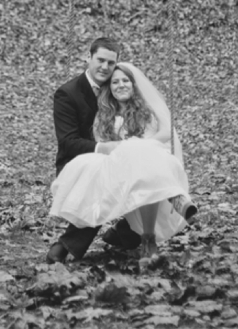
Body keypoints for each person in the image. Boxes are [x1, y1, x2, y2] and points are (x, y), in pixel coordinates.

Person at [49, 62, 196, 260]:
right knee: (140, 163)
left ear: (134, 85)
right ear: (110, 89)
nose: (121, 85)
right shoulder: (104, 116)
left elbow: (165, 134)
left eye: (125, 80)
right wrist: (133, 148)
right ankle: (174, 201)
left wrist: (142, 146)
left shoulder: (147, 110)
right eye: (115, 82)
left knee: (146, 167)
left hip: (150, 164)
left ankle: (141, 236)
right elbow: (104, 145)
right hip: (118, 168)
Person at [46, 37, 128, 264]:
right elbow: (68, 142)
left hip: (116, 161)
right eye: (100, 60)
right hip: (76, 163)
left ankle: (125, 234)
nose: (105, 67)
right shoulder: (68, 93)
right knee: (102, 178)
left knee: (145, 174)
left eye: (110, 63)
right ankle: (67, 245)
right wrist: (105, 148)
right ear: (88, 58)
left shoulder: (118, 88)